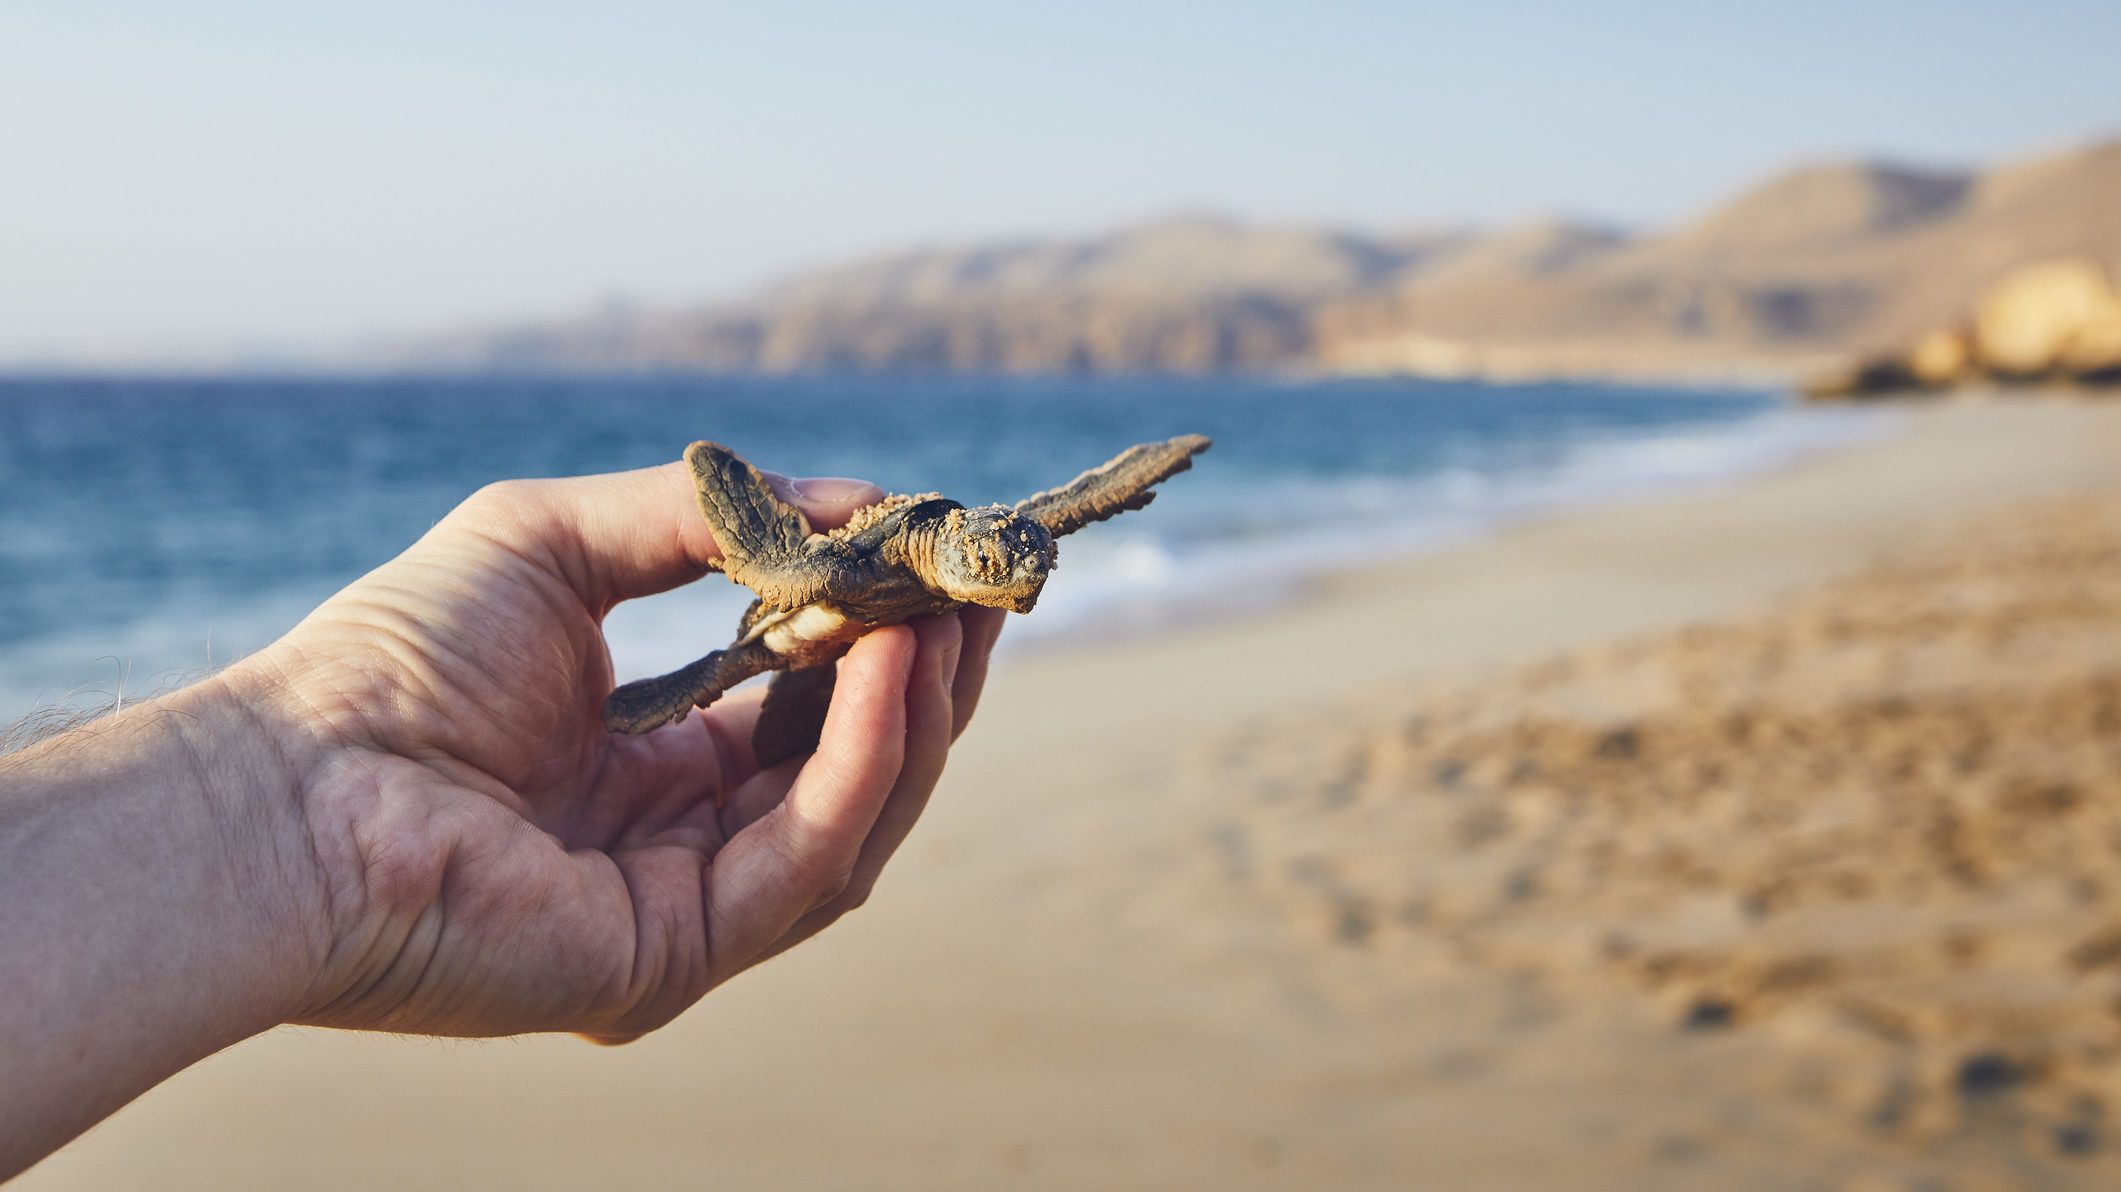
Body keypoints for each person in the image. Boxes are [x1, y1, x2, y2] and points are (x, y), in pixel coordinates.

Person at [0, 459, 1003, 1180]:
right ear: (951, 546)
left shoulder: (976, 550)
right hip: (798, 610)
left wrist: (294, 818)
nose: (1019, 579)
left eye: (1018, 567)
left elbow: (1027, 534)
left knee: (843, 718)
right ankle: (712, 679)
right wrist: (287, 798)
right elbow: (758, 537)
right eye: (1002, 560)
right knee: (741, 662)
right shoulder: (880, 545)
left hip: (855, 643)